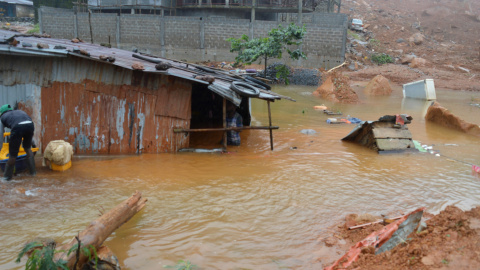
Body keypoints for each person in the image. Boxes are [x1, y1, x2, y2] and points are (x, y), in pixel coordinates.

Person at [0, 104, 36, 180]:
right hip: (30, 125)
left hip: (17, 127)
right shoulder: (20, 112)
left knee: (13, 155)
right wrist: (33, 144)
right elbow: (27, 125)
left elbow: (1, 135)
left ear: (2, 112)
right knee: (27, 148)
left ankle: (6, 178)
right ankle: (33, 173)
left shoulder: (3, 117)